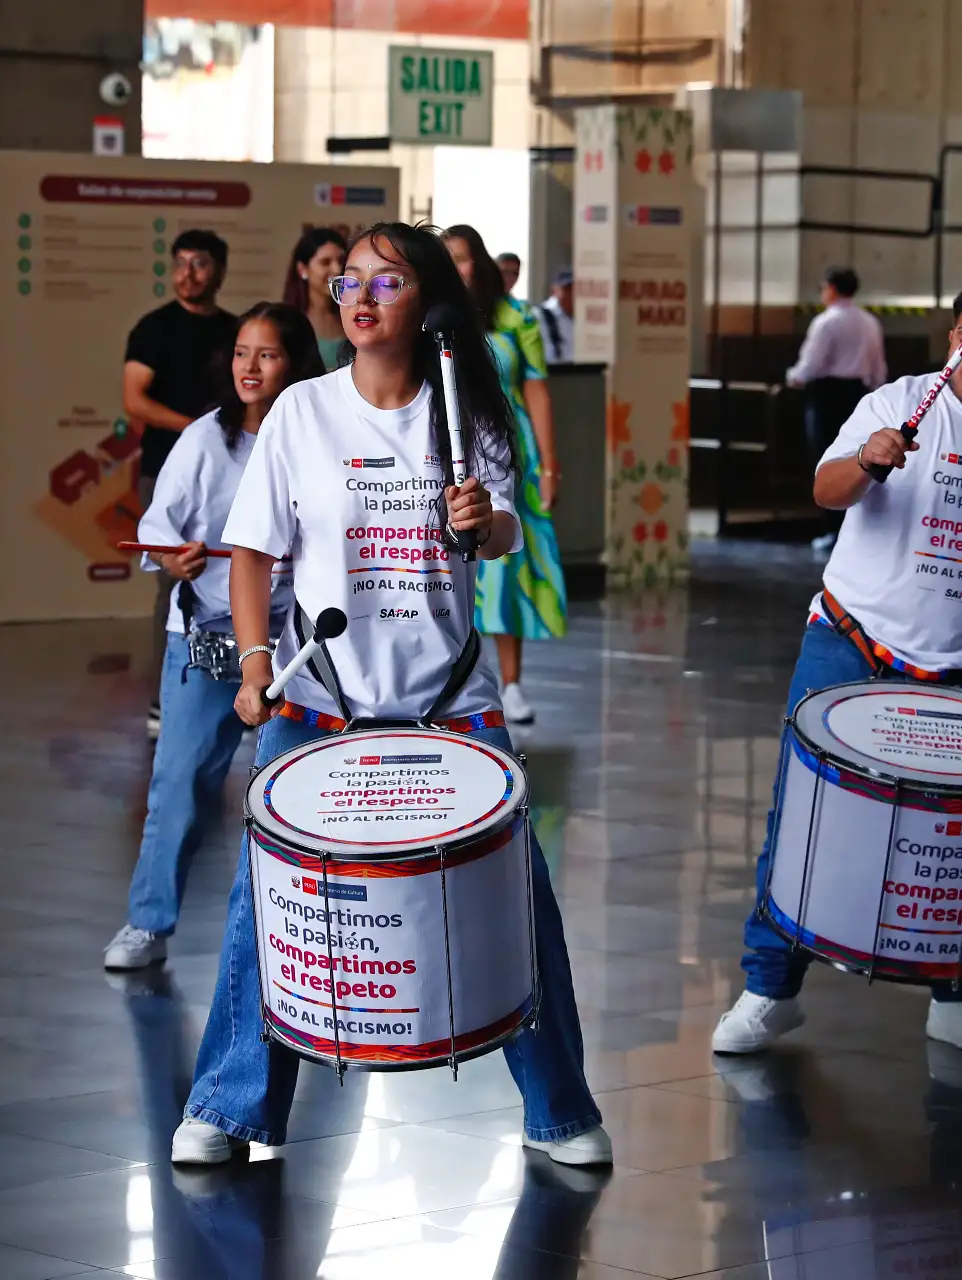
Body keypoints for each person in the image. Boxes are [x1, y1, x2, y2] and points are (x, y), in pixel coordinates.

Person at [171, 222, 611, 1168]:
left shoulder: (468, 409)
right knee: (269, 901)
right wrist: (255, 667)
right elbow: (253, 552)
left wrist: (483, 519)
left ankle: (561, 1109)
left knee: (517, 897)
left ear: (426, 303)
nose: (361, 298)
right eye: (350, 284)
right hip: (318, 700)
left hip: (452, 703)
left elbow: (499, 540)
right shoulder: (301, 413)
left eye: (388, 281)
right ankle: (229, 1102)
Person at [712, 275, 962, 1059]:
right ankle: (769, 990)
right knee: (802, 818)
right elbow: (826, 489)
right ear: (950, 339)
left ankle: (959, 997)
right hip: (850, 642)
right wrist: (868, 460)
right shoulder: (897, 402)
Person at [102, 303, 320, 971]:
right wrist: (174, 559)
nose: (250, 367)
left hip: (299, 642)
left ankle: (315, 928)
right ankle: (148, 921)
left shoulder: (318, 440)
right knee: (182, 781)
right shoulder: (206, 438)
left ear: (298, 363)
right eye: (241, 353)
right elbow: (157, 530)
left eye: (268, 354)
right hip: (208, 632)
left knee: (307, 786)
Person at [444, 225, 566, 726]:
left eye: (463, 258)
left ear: (482, 262)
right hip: (450, 450)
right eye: (445, 258)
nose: (455, 267)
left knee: (508, 571)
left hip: (513, 456)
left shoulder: (518, 317)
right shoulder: (438, 319)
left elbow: (537, 390)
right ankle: (456, 676)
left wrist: (551, 465)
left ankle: (511, 684)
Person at [124, 229, 240, 737]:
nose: (188, 273)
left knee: (241, 581)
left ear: (220, 270)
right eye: (181, 263)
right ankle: (163, 699)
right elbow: (135, 399)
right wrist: (198, 430)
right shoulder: (154, 328)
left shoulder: (235, 331)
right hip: (165, 470)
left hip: (231, 474)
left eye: (200, 263)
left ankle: (242, 689)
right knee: (173, 583)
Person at [787, 266, 887, 553]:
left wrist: (793, 377)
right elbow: (879, 367)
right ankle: (854, 528)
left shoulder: (826, 322)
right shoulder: (869, 322)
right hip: (858, 394)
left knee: (828, 461)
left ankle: (833, 529)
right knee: (856, 458)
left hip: (826, 395)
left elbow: (810, 365)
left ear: (831, 288)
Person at [280, 227, 349, 371]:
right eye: (325, 262)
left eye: (341, 261)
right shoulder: (287, 322)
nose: (337, 269)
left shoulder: (352, 315)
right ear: (302, 269)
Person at [536, 268, 576, 366]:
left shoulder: (585, 317)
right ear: (554, 290)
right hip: (554, 374)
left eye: (576, 289)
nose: (572, 294)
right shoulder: (539, 315)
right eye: (568, 289)